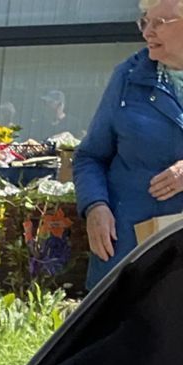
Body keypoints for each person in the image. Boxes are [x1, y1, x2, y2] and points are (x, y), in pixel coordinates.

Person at [74, 0, 183, 290]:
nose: (148, 32)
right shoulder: (128, 76)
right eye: (145, 22)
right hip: (131, 254)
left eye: (160, 23)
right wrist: (95, 206)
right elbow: (89, 157)